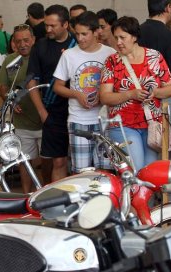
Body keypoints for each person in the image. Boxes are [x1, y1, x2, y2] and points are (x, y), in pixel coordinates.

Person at [100, 16, 171, 171]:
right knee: (137, 170)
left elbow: (170, 89)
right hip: (122, 124)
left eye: (123, 37)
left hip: (151, 124)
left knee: (149, 172)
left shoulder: (155, 57)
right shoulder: (112, 61)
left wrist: (154, 92)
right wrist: (130, 94)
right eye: (116, 38)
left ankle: (142, 196)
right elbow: (105, 97)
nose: (118, 42)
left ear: (134, 37)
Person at [54, 12, 115, 174]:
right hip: (78, 120)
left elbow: (117, 86)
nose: (80, 38)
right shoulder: (69, 55)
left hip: (105, 120)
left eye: (84, 34)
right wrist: (77, 94)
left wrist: (102, 96)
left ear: (96, 32)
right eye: (77, 34)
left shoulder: (110, 54)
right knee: (81, 173)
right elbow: (58, 86)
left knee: (106, 171)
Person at [139, 0, 171, 185]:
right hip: (167, 101)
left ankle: (149, 204)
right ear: (168, 8)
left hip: (141, 102)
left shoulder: (137, 32)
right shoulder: (170, 36)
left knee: (149, 158)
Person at [28, 4, 76, 183]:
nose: (47, 29)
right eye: (46, 25)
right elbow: (32, 80)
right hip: (52, 112)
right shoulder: (40, 46)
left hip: (78, 110)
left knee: (80, 162)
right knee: (58, 160)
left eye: (52, 25)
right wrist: (42, 112)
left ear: (65, 25)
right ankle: (57, 203)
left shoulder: (77, 44)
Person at [0, 24, 43, 193]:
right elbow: (3, 89)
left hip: (45, 120)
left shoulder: (43, 57)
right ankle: (26, 196)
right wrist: (11, 101)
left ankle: (45, 194)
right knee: (25, 161)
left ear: (33, 40)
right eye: (18, 41)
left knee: (48, 161)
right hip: (22, 122)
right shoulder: (10, 61)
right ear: (14, 44)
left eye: (26, 40)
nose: (23, 44)